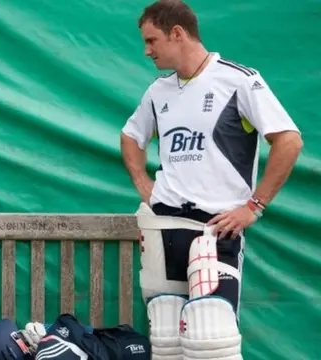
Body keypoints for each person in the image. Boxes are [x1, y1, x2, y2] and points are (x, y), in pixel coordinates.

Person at [120, 1, 303, 359]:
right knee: (167, 340)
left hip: (214, 229)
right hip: (164, 228)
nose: (147, 51)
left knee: (210, 337)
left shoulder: (238, 80)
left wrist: (255, 206)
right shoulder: (159, 91)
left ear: (177, 33)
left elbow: (289, 140)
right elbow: (130, 136)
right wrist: (142, 180)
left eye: (152, 40)